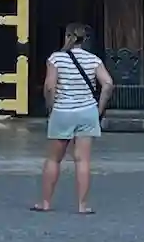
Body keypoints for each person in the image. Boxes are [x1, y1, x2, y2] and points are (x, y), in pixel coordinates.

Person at [32, 22, 114, 214]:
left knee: (54, 159)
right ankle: (82, 205)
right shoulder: (93, 59)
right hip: (87, 112)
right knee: (82, 160)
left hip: (63, 111)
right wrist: (99, 108)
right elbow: (108, 84)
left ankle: (46, 202)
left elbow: (50, 86)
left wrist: (50, 106)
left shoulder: (56, 59)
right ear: (85, 40)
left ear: (67, 36)